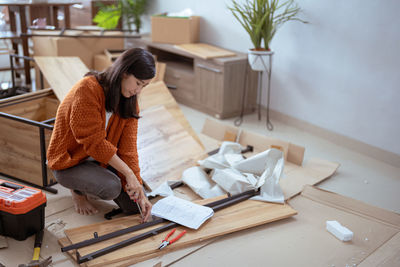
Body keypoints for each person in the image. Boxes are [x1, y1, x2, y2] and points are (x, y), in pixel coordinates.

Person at [47, 48, 154, 222]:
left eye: (144, 86)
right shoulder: (87, 89)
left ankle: (99, 178)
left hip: (99, 159)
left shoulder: (130, 103)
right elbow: (94, 143)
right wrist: (128, 174)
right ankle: (78, 192)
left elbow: (129, 150)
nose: (139, 91)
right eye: (138, 83)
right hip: (70, 161)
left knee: (134, 205)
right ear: (124, 73)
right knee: (111, 187)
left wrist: (137, 185)